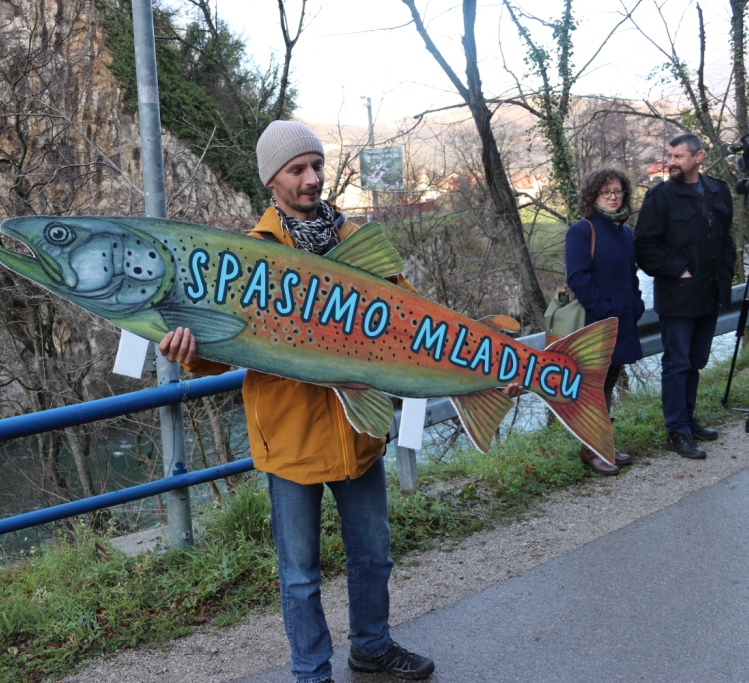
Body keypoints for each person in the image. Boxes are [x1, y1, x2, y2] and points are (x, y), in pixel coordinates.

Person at [159, 120, 520, 683]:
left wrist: (489, 368)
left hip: (359, 430)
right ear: (271, 181)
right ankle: (311, 673)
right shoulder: (248, 257)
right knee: (300, 573)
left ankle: (372, 646)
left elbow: (416, 327)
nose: (312, 179)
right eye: (297, 169)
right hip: (291, 438)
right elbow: (220, 349)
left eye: (316, 166)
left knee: (373, 555)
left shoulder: (357, 242)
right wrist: (189, 350)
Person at [634, 133, 735, 459]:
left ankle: (689, 421)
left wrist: (728, 269)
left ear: (699, 157)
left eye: (678, 157)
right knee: (677, 363)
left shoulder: (718, 189)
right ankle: (676, 432)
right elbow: (644, 247)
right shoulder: (660, 197)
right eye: (670, 156)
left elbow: (725, 237)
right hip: (678, 296)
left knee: (696, 361)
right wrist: (679, 269)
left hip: (711, 292)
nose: (671, 162)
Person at [565, 166, 646, 475]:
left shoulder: (624, 231)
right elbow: (578, 278)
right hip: (597, 324)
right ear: (593, 196)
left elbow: (631, 275)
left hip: (622, 321)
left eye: (617, 191)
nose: (613, 197)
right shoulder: (582, 231)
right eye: (606, 192)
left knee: (607, 385)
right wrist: (605, 311)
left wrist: (636, 305)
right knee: (593, 388)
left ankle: (602, 443)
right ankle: (592, 448)